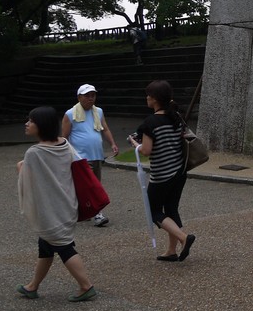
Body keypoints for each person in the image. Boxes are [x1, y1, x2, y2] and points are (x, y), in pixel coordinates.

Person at [16, 106, 98, 301]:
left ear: (41, 125)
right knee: (45, 246)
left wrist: (20, 168)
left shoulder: (34, 153)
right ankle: (32, 286)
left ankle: (86, 286)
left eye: (31, 121)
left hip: (51, 210)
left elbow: (28, 180)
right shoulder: (64, 143)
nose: (27, 124)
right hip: (66, 204)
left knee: (64, 246)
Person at [127, 80, 196, 262]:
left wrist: (134, 143)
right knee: (171, 209)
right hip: (179, 172)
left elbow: (146, 151)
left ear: (155, 99)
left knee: (154, 211)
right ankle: (171, 251)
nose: (146, 98)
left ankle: (183, 238)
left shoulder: (150, 122)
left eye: (148, 95)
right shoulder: (175, 117)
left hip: (162, 174)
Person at [62, 83, 118, 227]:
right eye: (87, 95)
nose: (91, 98)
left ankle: (84, 209)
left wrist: (112, 143)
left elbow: (105, 129)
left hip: (96, 155)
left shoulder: (98, 111)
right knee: (92, 186)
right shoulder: (70, 114)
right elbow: (64, 136)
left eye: (93, 95)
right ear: (79, 97)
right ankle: (97, 214)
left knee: (94, 184)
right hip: (80, 157)